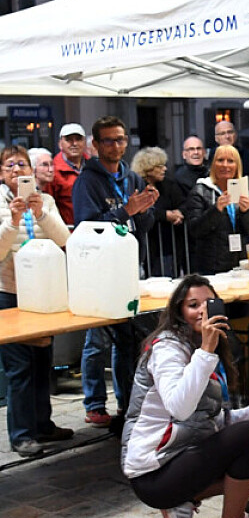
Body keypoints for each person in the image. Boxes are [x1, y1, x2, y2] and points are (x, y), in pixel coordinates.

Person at [121, 274, 249, 518]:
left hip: (181, 458)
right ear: (178, 311)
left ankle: (185, 501)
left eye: (209, 303)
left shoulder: (199, 347)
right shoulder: (168, 349)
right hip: (153, 473)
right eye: (193, 305)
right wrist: (206, 351)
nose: (202, 311)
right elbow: (180, 407)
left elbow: (214, 420)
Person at [73, 116, 159, 428]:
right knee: (98, 339)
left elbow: (143, 225)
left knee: (127, 339)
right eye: (108, 140)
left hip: (130, 266)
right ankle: (95, 403)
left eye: (120, 139)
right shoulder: (87, 181)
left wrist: (146, 209)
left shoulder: (132, 177)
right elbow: (88, 227)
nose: (116, 145)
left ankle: (127, 403)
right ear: (96, 145)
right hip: (98, 272)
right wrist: (127, 210)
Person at [0, 146, 74, 456]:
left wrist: (41, 214)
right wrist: (14, 220)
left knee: (43, 362)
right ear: (2, 173)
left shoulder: (46, 200)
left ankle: (43, 424)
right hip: (9, 292)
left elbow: (65, 240)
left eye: (22, 164)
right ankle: (22, 435)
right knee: (19, 367)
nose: (17, 170)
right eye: (9, 165)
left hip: (44, 293)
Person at [186, 145, 249, 274]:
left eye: (230, 161)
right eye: (220, 160)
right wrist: (216, 209)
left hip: (240, 263)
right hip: (211, 265)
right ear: (213, 164)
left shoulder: (244, 191)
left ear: (237, 166)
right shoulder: (200, 191)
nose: (225, 165)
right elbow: (195, 230)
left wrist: (247, 212)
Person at [132, 147, 187, 278]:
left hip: (170, 245)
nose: (165, 169)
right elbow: (139, 209)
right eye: (160, 166)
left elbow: (184, 203)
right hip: (149, 246)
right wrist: (165, 215)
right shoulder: (136, 187)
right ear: (148, 168)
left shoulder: (169, 184)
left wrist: (179, 213)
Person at [51, 123, 88, 226]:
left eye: (78, 139)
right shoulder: (53, 171)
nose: (74, 143)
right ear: (60, 144)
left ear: (84, 143)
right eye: (69, 140)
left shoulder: (95, 167)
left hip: (94, 229)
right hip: (67, 230)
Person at [213, 121, 249, 202]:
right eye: (222, 133)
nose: (227, 136)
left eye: (230, 132)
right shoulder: (212, 157)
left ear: (235, 135)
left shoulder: (248, 157)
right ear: (216, 138)